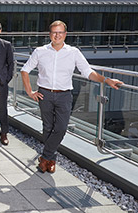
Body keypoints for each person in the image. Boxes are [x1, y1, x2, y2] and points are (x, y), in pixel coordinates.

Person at [21, 20, 123, 173]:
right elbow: (24, 70)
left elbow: (88, 72)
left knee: (61, 128)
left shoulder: (73, 52)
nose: (57, 35)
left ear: (65, 34)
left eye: (60, 32)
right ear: (50, 34)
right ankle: (51, 161)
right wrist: (30, 91)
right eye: (54, 32)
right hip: (45, 95)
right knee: (48, 128)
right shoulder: (40, 51)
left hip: (64, 96)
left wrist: (106, 80)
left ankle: (44, 157)